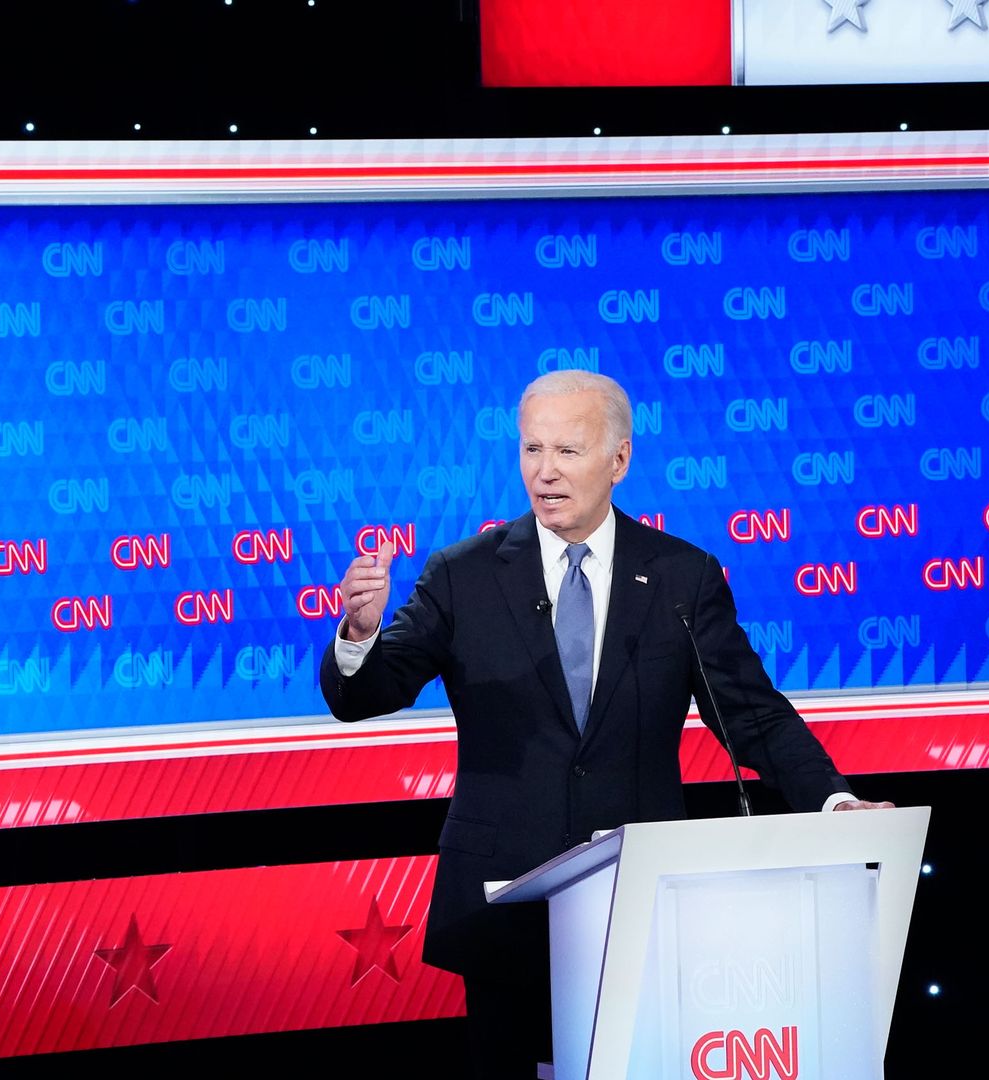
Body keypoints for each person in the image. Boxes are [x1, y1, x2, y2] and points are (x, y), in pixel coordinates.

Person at [318, 370, 891, 1078]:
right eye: (532, 450)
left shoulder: (681, 577)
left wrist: (833, 801)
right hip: (505, 901)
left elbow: (749, 713)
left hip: (642, 903)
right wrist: (358, 631)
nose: (545, 473)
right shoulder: (462, 575)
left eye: (568, 452)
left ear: (619, 460)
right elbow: (366, 693)